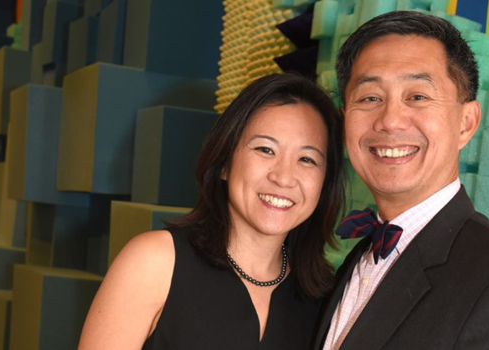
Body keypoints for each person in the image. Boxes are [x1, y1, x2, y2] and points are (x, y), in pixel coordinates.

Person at [314, 11, 489, 350]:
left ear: (466, 122)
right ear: (346, 119)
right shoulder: (358, 257)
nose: (389, 121)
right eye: (370, 98)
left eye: (417, 96)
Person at [78, 73, 345, 350]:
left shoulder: (325, 298)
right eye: (265, 149)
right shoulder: (155, 262)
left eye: (306, 159)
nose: (284, 177)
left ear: (325, 183)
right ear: (224, 163)